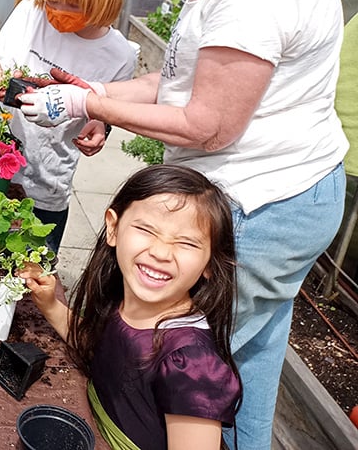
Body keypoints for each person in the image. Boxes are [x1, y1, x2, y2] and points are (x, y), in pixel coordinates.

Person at [18, 0, 348, 450]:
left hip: (257, 205)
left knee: (185, 376)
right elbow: (181, 83)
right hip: (288, 192)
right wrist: (109, 105)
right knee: (242, 372)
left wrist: (85, 99)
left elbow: (209, 122)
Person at [24, 164, 242, 450]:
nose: (161, 252)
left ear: (211, 264)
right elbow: (102, 350)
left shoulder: (191, 364)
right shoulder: (123, 300)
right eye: (146, 230)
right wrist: (51, 305)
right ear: (113, 228)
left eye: (186, 243)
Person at [0, 0, 135, 251]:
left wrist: (99, 130)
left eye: (71, 4)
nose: (55, 9)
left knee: (36, 266)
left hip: (49, 178)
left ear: (103, 1)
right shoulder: (32, 12)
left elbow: (103, 117)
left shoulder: (119, 56)